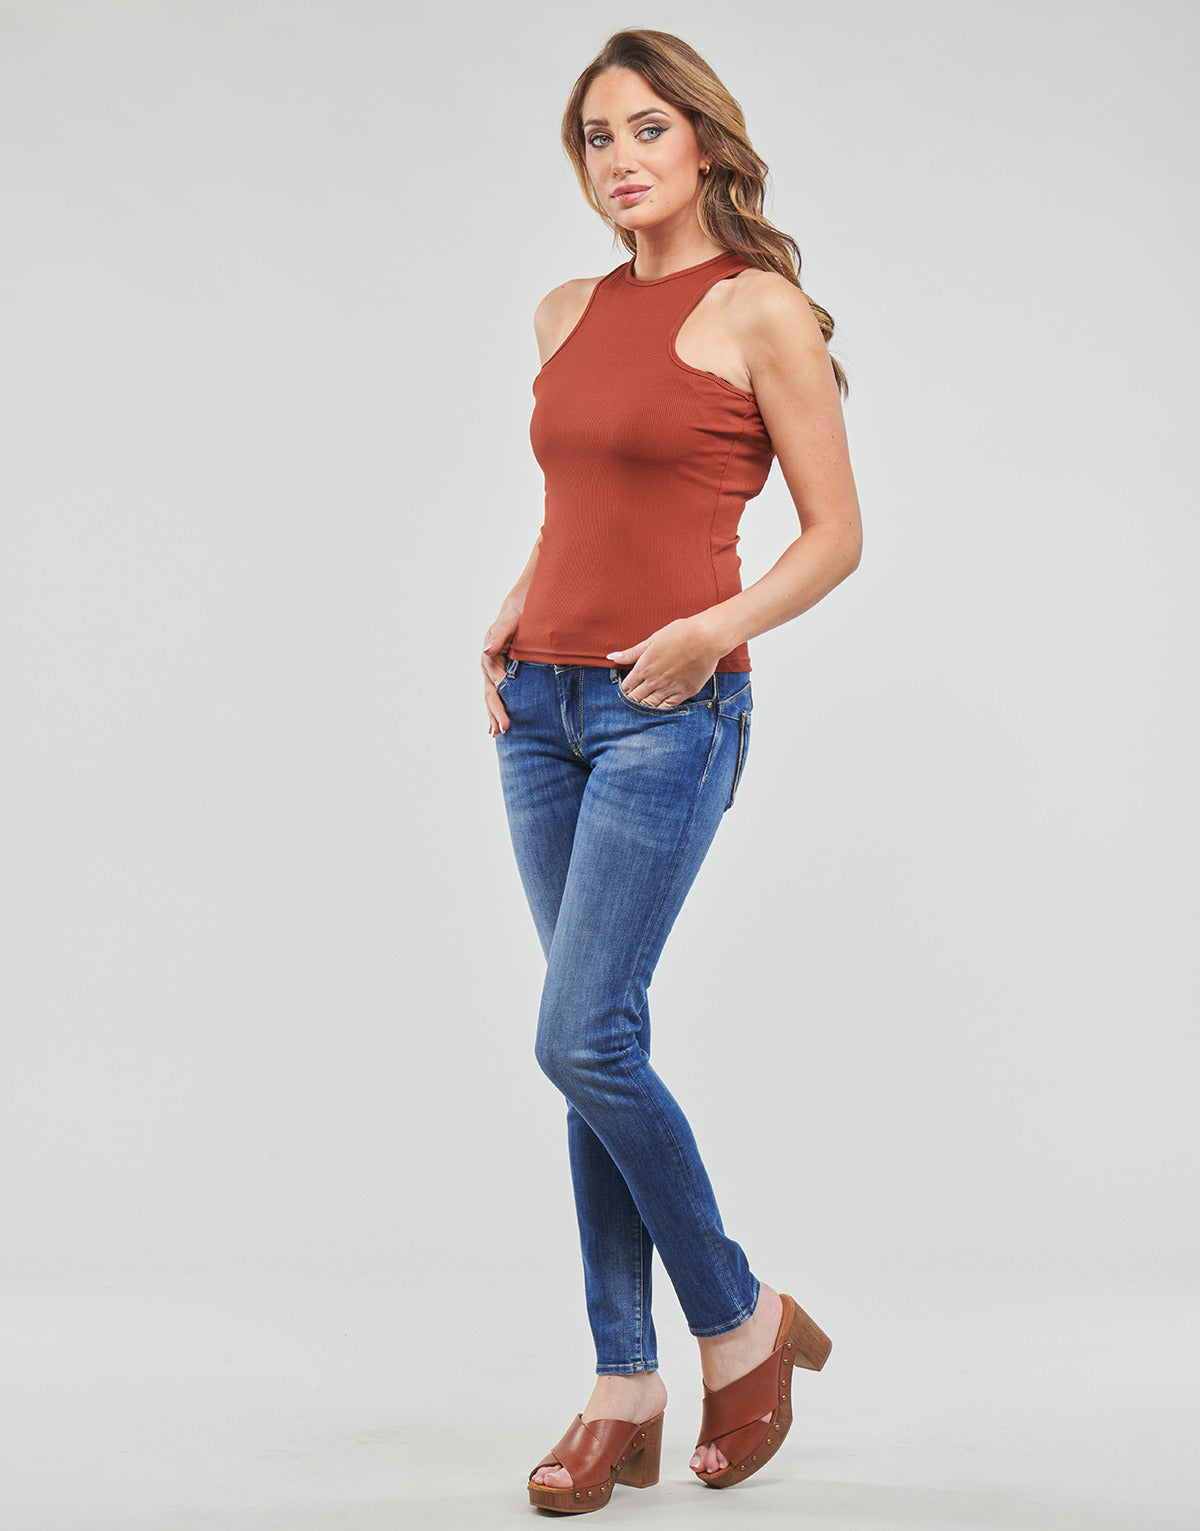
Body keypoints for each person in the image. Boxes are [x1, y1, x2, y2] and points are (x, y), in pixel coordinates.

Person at [480, 28, 863, 1515]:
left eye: (648, 128)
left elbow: (835, 536)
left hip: (669, 710)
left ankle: (738, 1320)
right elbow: (580, 500)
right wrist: (517, 602)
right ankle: (623, 1385)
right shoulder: (563, 311)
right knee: (597, 1049)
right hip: (540, 709)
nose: (621, 158)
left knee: (580, 1037)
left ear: (704, 141)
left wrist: (714, 632)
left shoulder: (761, 308)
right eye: (597, 136)